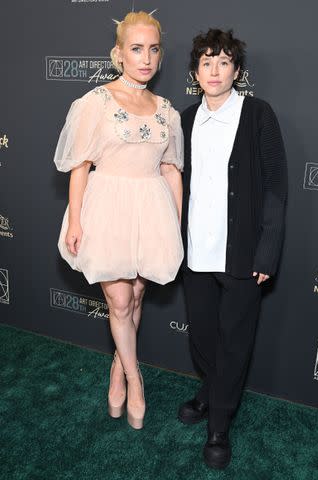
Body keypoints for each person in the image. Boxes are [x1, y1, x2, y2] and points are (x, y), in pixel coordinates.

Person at [54, 11, 183, 430]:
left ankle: (116, 367)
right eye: (136, 49)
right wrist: (76, 221)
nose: (145, 58)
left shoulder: (166, 110)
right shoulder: (96, 102)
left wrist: (175, 223)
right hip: (107, 206)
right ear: (119, 54)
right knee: (120, 300)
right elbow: (80, 165)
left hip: (152, 210)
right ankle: (133, 376)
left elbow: (170, 170)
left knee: (139, 297)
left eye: (153, 49)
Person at [178, 29, 287, 469]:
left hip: (241, 254)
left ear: (237, 71)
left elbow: (277, 187)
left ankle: (219, 423)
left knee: (235, 340)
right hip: (195, 252)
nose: (215, 70)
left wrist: (268, 250)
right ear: (196, 72)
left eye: (224, 62)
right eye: (206, 62)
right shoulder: (185, 119)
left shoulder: (258, 114)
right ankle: (210, 390)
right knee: (204, 337)